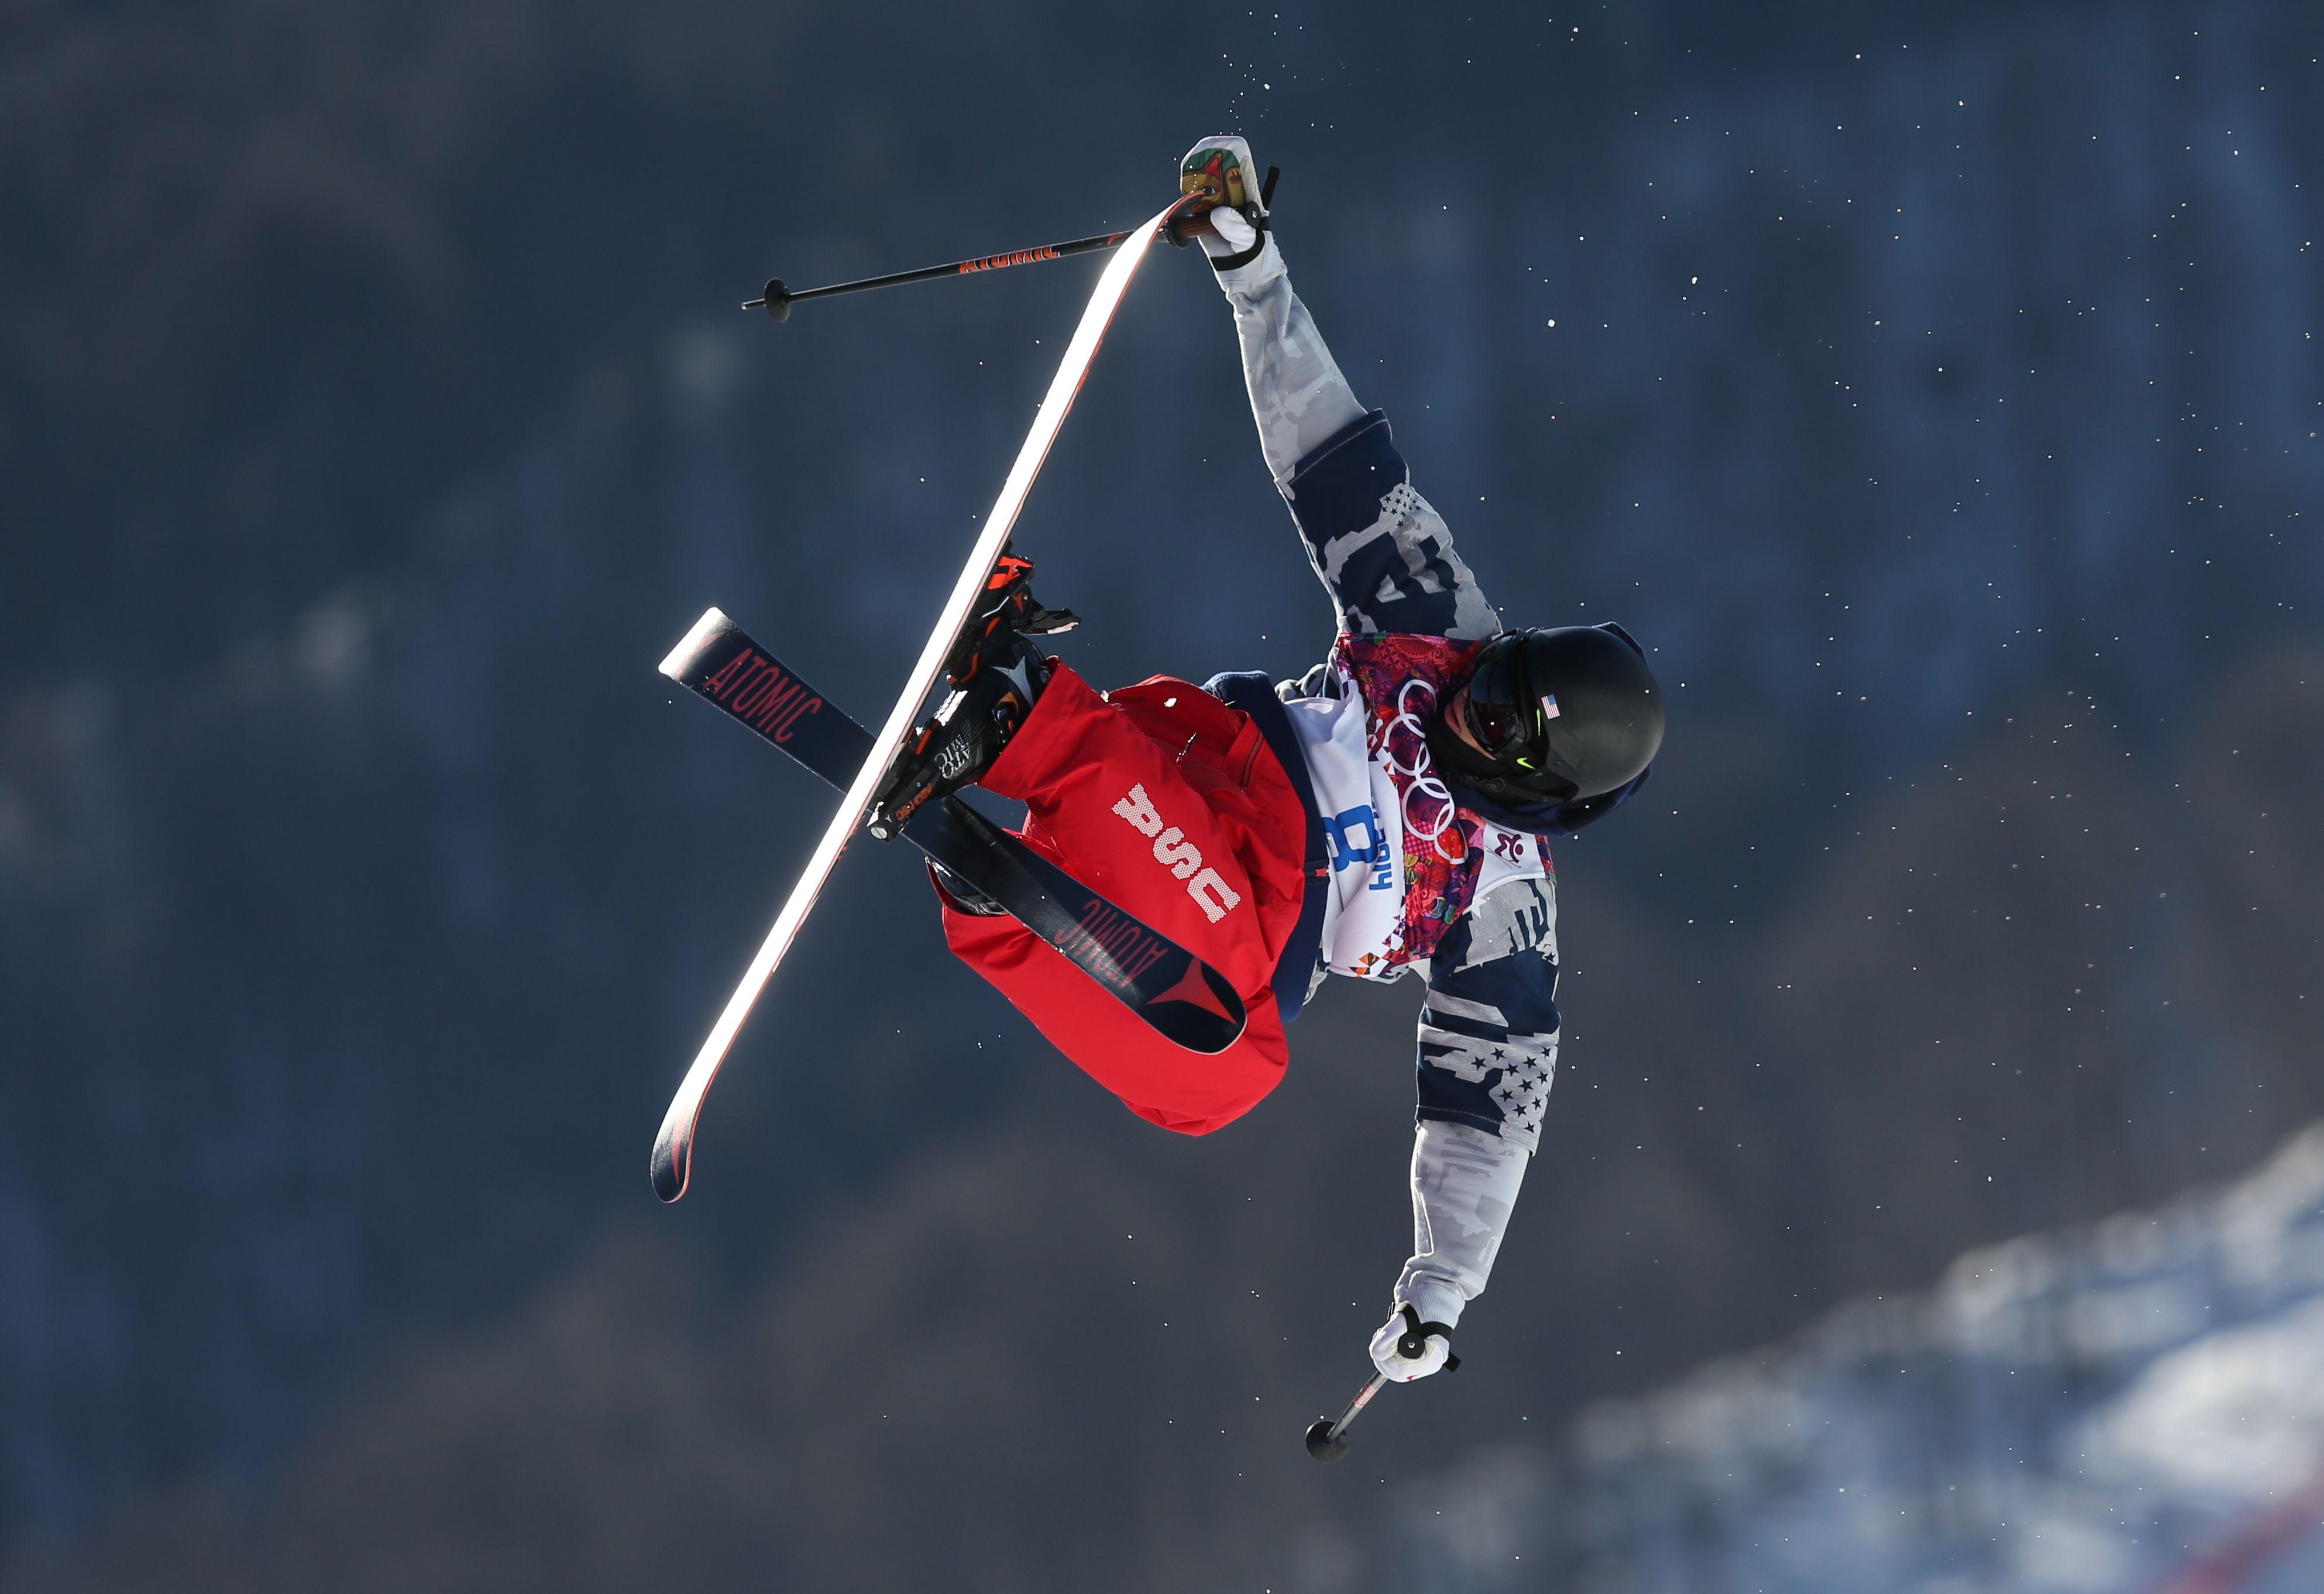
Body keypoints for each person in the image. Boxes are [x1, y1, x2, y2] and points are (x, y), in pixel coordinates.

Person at [869, 136, 1664, 1387]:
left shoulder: (1507, 911)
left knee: (1220, 1075)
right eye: (1497, 686)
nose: (1474, 713)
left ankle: (988, 883)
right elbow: (1335, 459)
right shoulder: (1437, 623)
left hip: (1230, 932)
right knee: (1233, 983)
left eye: (1504, 733)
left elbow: (1485, 1121)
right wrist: (1253, 271)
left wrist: (1441, 1290)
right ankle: (1022, 710)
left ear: (1544, 800)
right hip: (1219, 780)